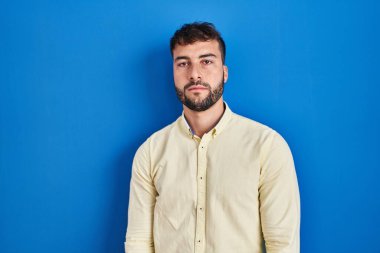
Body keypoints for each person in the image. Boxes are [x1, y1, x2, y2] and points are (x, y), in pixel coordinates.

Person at [124, 22, 300, 253]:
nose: (195, 74)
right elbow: (138, 243)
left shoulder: (267, 146)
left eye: (206, 61)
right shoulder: (150, 152)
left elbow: (283, 245)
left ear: (224, 72)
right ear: (173, 73)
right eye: (183, 63)